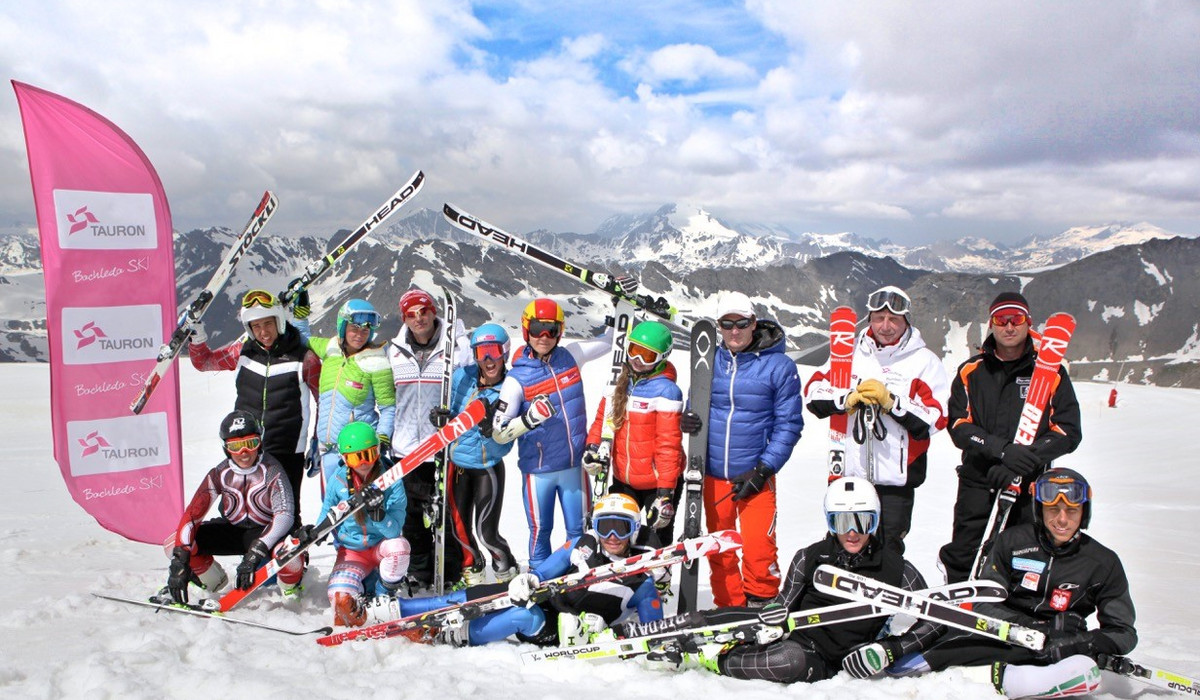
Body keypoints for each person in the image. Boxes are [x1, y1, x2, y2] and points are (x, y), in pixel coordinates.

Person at [609, 478, 944, 683]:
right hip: (795, 627)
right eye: (842, 521)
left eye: (862, 521)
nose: (852, 531)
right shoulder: (812, 556)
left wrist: (891, 649)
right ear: (830, 522)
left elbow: (937, 618)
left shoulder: (896, 568)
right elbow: (783, 604)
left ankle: (710, 656)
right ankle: (650, 633)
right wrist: (773, 617)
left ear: (875, 522)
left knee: (788, 661)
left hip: (824, 656)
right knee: (735, 615)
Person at [893, 468, 1136, 699]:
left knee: (1084, 670)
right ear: (1039, 509)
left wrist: (1082, 642)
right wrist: (1034, 626)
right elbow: (983, 603)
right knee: (910, 665)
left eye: (1071, 511)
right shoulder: (1012, 542)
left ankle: (994, 677)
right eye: (1054, 510)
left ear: (1084, 513)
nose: (1062, 520)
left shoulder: (1103, 562)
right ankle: (1014, 679)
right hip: (1001, 634)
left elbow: (1123, 632)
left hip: (1058, 649)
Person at [382, 493, 667, 647]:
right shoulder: (585, 544)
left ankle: (448, 636)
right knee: (491, 593)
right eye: (605, 526)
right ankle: (403, 610)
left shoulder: (642, 581)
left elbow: (651, 633)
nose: (613, 536)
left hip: (573, 630)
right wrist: (529, 578)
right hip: (552, 600)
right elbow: (546, 570)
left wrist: (607, 634)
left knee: (523, 616)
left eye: (622, 527)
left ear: (634, 531)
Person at [937, 292, 1082, 583]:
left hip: (1028, 483)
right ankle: (957, 606)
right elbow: (959, 426)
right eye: (1001, 320)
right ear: (991, 324)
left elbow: (1068, 431)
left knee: (1023, 553)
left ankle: (1013, 613)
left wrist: (1023, 459)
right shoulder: (971, 371)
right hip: (979, 478)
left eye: (1016, 319)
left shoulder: (1050, 374)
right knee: (965, 550)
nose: (1009, 326)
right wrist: (1002, 451)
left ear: (1028, 323)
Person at [803, 286, 949, 554]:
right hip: (848, 474)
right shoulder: (848, 355)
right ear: (869, 319)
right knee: (841, 546)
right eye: (878, 317)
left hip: (895, 482)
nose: (886, 326)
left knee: (887, 550)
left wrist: (893, 403)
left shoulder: (924, 361)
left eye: (893, 319)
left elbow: (937, 418)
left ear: (906, 321)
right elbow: (812, 392)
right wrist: (845, 399)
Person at [679, 291, 803, 606]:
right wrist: (688, 419)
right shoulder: (708, 361)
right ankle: (729, 610)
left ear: (754, 323)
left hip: (755, 475)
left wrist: (763, 469)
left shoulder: (779, 366)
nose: (735, 331)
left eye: (742, 323)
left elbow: (789, 424)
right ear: (719, 327)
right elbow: (698, 400)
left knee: (760, 549)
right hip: (713, 474)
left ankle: (762, 608)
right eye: (727, 324)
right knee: (720, 551)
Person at [492, 297, 612, 570]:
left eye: (552, 329)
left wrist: (621, 305)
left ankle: (577, 584)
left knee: (579, 533)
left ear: (560, 331)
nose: (544, 337)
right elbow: (499, 433)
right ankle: (538, 581)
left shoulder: (571, 356)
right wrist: (528, 420)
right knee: (540, 531)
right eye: (537, 328)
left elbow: (609, 342)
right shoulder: (516, 379)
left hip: (574, 467)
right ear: (526, 330)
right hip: (538, 471)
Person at [189, 288, 320, 521]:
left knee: (287, 512)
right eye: (256, 326)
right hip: (246, 447)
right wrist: (197, 339)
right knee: (241, 512)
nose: (263, 332)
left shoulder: (304, 358)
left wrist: (318, 440)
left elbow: (324, 400)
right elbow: (205, 362)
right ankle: (249, 554)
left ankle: (289, 555)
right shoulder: (242, 351)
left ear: (279, 322)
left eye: (268, 324)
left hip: (287, 448)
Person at [158, 410, 305, 604]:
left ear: (260, 442)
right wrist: (179, 561)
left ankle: (291, 589)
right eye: (235, 446)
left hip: (264, 535)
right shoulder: (220, 472)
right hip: (233, 531)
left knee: (291, 556)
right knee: (173, 544)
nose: (244, 453)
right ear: (226, 448)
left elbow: (285, 516)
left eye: (250, 443)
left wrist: (256, 552)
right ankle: (210, 583)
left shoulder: (272, 470)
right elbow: (193, 514)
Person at [386, 287, 470, 589]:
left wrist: (457, 332)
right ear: (404, 318)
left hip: (441, 447)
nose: (419, 318)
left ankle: (450, 573)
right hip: (405, 448)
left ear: (434, 311)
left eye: (424, 311)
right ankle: (419, 572)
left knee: (445, 513)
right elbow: (388, 398)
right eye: (411, 314)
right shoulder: (394, 352)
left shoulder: (454, 350)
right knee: (411, 516)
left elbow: (469, 379)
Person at [582, 320, 684, 550]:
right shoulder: (620, 382)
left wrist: (666, 493)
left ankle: (659, 583)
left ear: (662, 358)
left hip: (656, 483)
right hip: (623, 479)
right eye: (634, 351)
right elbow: (602, 422)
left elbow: (669, 445)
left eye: (647, 355)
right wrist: (592, 448)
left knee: (655, 539)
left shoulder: (666, 391)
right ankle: (624, 584)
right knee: (618, 535)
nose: (637, 360)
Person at [441, 323, 519, 586]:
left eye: (493, 351)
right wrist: (442, 418)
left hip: (487, 468)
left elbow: (508, 443)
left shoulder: (510, 389)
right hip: (458, 467)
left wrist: (492, 432)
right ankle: (473, 571)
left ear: (504, 353)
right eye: (481, 352)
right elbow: (451, 412)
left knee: (486, 532)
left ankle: (505, 569)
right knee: (460, 530)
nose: (487, 359)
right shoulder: (462, 377)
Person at [312, 421, 410, 627]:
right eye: (357, 457)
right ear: (345, 459)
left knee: (399, 548)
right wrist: (314, 533)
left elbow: (394, 530)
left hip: (380, 547)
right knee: (338, 596)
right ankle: (360, 599)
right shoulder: (338, 481)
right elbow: (326, 514)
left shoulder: (391, 480)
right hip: (353, 552)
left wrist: (379, 515)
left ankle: (384, 596)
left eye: (370, 453)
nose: (364, 462)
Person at [307, 299, 396, 485]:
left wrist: (382, 438)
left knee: (360, 509)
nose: (360, 335)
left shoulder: (377, 361)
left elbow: (389, 407)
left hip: (359, 452)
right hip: (328, 449)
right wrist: (299, 317)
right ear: (343, 327)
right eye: (354, 328)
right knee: (332, 506)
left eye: (365, 330)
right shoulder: (331, 348)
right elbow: (303, 340)